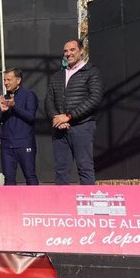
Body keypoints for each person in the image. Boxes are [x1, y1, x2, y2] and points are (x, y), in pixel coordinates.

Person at [45, 38, 104, 185]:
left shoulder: (91, 71)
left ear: (81, 51)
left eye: (72, 50)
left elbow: (95, 98)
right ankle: (62, 205)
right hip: (60, 129)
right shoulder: (57, 76)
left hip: (82, 127)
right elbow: (48, 100)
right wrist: (56, 118)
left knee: (85, 168)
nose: (68, 53)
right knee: (61, 170)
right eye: (66, 51)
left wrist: (69, 117)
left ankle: (87, 205)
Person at [0, 68, 39, 185]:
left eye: (9, 79)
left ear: (18, 80)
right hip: (7, 146)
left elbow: (30, 117)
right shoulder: (4, 98)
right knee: (9, 179)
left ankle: (35, 203)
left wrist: (14, 106)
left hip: (24, 143)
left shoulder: (29, 95)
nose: (6, 83)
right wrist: (2, 111)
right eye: (4, 80)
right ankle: (9, 203)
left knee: (30, 176)